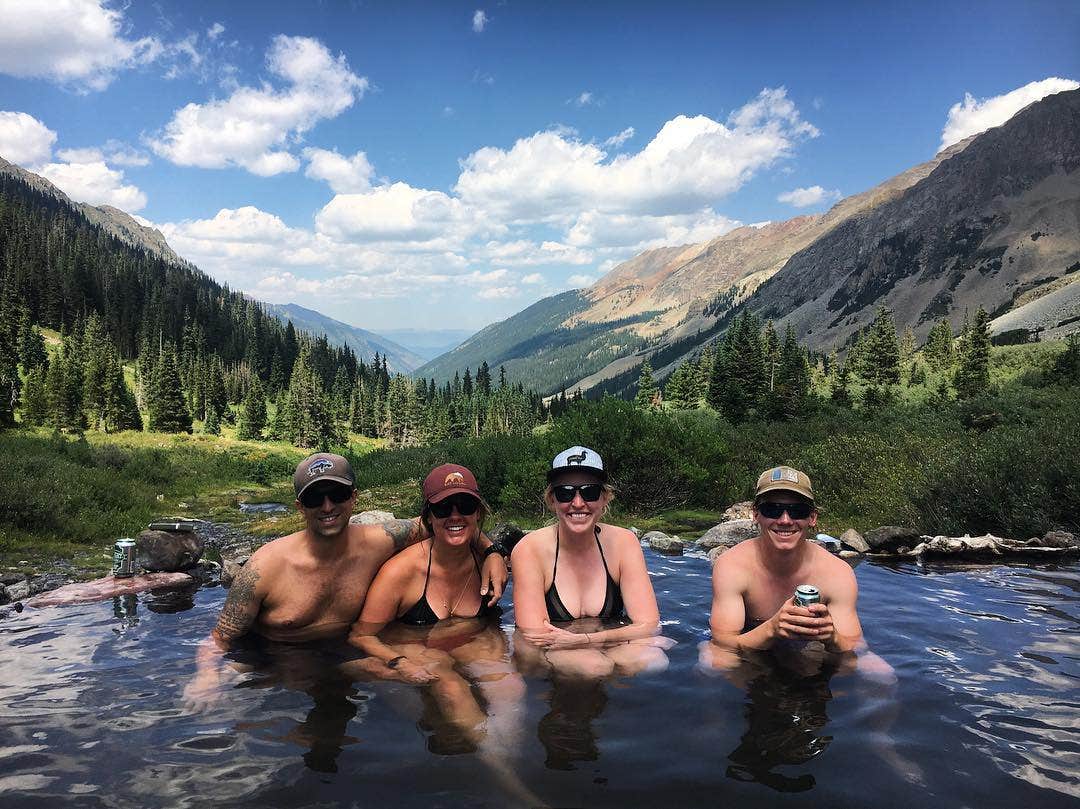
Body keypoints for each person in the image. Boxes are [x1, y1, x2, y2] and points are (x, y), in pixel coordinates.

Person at [183, 453, 508, 708]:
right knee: (218, 706)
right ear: (300, 506)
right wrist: (205, 677)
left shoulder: (380, 540)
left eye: (337, 494)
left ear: (353, 497)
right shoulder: (264, 567)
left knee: (421, 672)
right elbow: (220, 639)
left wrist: (492, 551)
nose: (328, 506)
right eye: (315, 498)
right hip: (272, 657)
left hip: (343, 653)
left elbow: (449, 521)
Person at [705, 465, 892, 680]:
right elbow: (724, 642)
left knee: (882, 676)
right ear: (756, 514)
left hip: (809, 646)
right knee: (715, 664)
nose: (785, 520)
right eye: (772, 509)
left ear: (812, 518)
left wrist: (831, 637)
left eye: (798, 511)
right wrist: (772, 629)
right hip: (751, 639)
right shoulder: (732, 565)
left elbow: (852, 644)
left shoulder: (837, 572)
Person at [511, 446, 670, 678]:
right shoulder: (530, 550)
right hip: (553, 650)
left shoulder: (624, 542)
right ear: (552, 499)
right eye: (565, 492)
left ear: (604, 498)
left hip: (593, 641)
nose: (577, 503)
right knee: (593, 666)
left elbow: (649, 624)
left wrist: (587, 639)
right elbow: (535, 636)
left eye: (590, 492)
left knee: (654, 659)